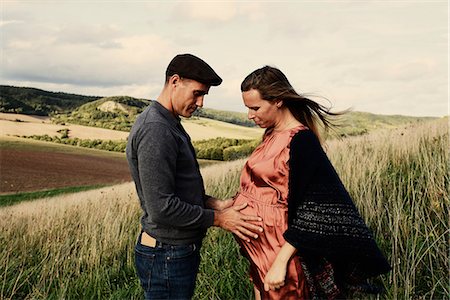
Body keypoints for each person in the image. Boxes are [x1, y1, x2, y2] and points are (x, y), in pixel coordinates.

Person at [231, 66, 391, 299]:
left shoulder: (301, 141)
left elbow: (314, 208)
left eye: (255, 108)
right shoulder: (270, 135)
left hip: (283, 254)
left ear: (277, 101)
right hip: (261, 251)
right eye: (247, 108)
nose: (250, 115)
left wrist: (281, 261)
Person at [126, 53, 263, 300]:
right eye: (197, 93)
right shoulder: (156, 129)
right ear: (175, 81)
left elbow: (176, 189)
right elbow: (162, 208)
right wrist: (220, 218)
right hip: (166, 253)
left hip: (171, 251)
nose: (200, 103)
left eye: (203, 96)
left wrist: (214, 203)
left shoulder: (168, 122)